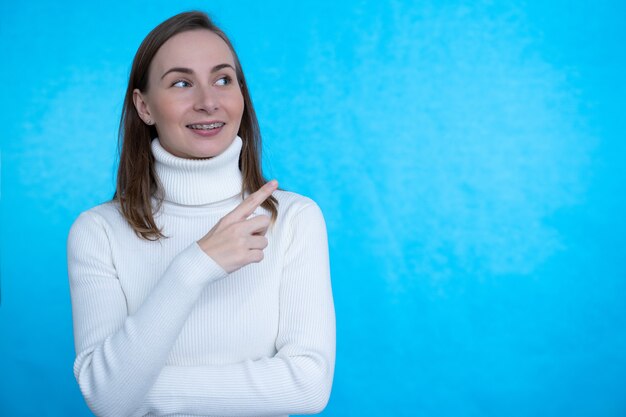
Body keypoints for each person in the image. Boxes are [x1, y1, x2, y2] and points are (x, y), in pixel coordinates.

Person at [67, 11, 335, 417]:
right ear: (144, 106)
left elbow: (308, 386)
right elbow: (106, 399)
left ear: (241, 95)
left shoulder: (295, 219)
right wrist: (196, 265)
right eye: (181, 83)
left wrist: (138, 391)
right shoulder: (98, 232)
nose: (208, 102)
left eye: (223, 79)